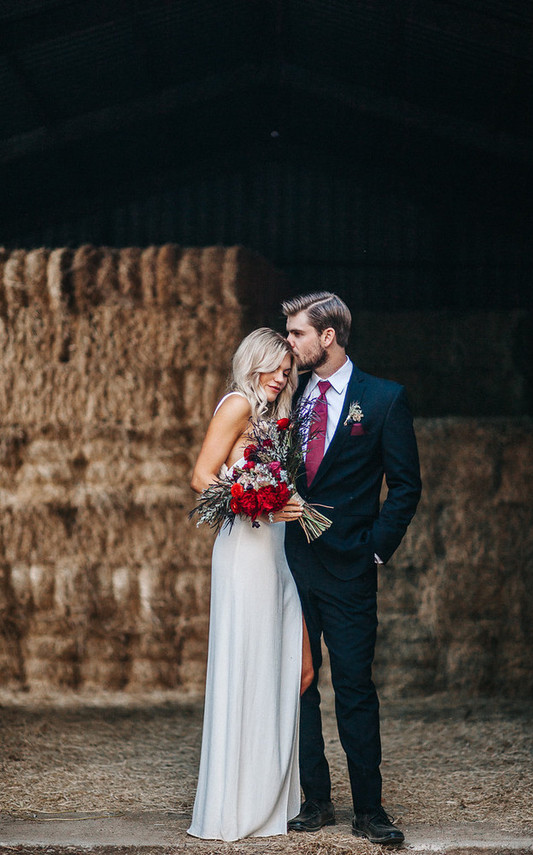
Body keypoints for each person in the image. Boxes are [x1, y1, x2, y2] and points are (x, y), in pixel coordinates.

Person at [283, 292, 422, 846]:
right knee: (300, 687)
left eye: (296, 334)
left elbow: (406, 487)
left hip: (350, 570)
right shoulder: (287, 396)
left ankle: (370, 809)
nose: (289, 344)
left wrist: (373, 549)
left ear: (328, 336)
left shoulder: (384, 399)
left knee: (356, 688)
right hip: (291, 564)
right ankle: (315, 801)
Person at [187, 327, 313, 842]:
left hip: (275, 553)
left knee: (287, 667)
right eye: (276, 367)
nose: (284, 377)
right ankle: (237, 806)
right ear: (254, 362)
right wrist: (254, 499)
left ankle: (269, 798)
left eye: (289, 370)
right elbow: (201, 475)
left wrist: (286, 500)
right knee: (250, 662)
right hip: (245, 552)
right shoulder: (238, 403)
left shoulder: (273, 416)